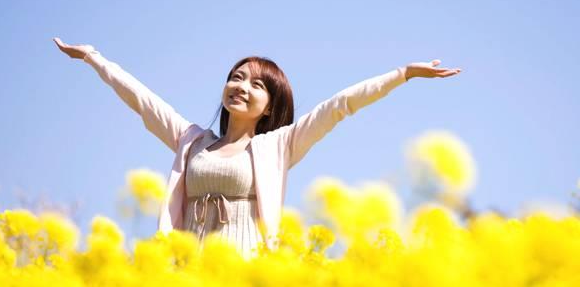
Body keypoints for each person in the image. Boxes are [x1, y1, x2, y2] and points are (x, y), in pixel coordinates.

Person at [52, 37, 462, 259]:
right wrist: (94, 59)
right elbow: (142, 100)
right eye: (236, 76)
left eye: (256, 84)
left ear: (270, 107)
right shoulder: (191, 140)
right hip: (186, 267)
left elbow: (340, 106)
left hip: (247, 268)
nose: (241, 86)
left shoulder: (278, 147)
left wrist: (402, 74)